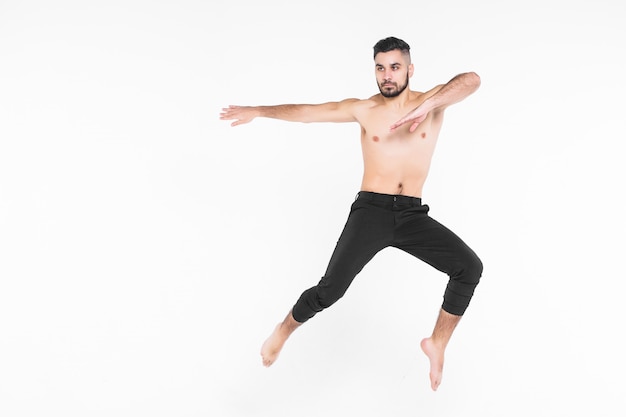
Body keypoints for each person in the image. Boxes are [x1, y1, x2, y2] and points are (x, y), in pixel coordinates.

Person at [220, 36, 483, 391]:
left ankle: (437, 344)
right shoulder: (365, 109)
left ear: (410, 69)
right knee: (329, 292)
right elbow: (309, 113)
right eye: (380, 68)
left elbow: (471, 80)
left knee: (469, 268)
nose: (387, 75)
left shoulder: (432, 103)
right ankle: (284, 328)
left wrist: (426, 106)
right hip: (371, 211)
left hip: (412, 215)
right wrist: (260, 110)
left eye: (394, 67)